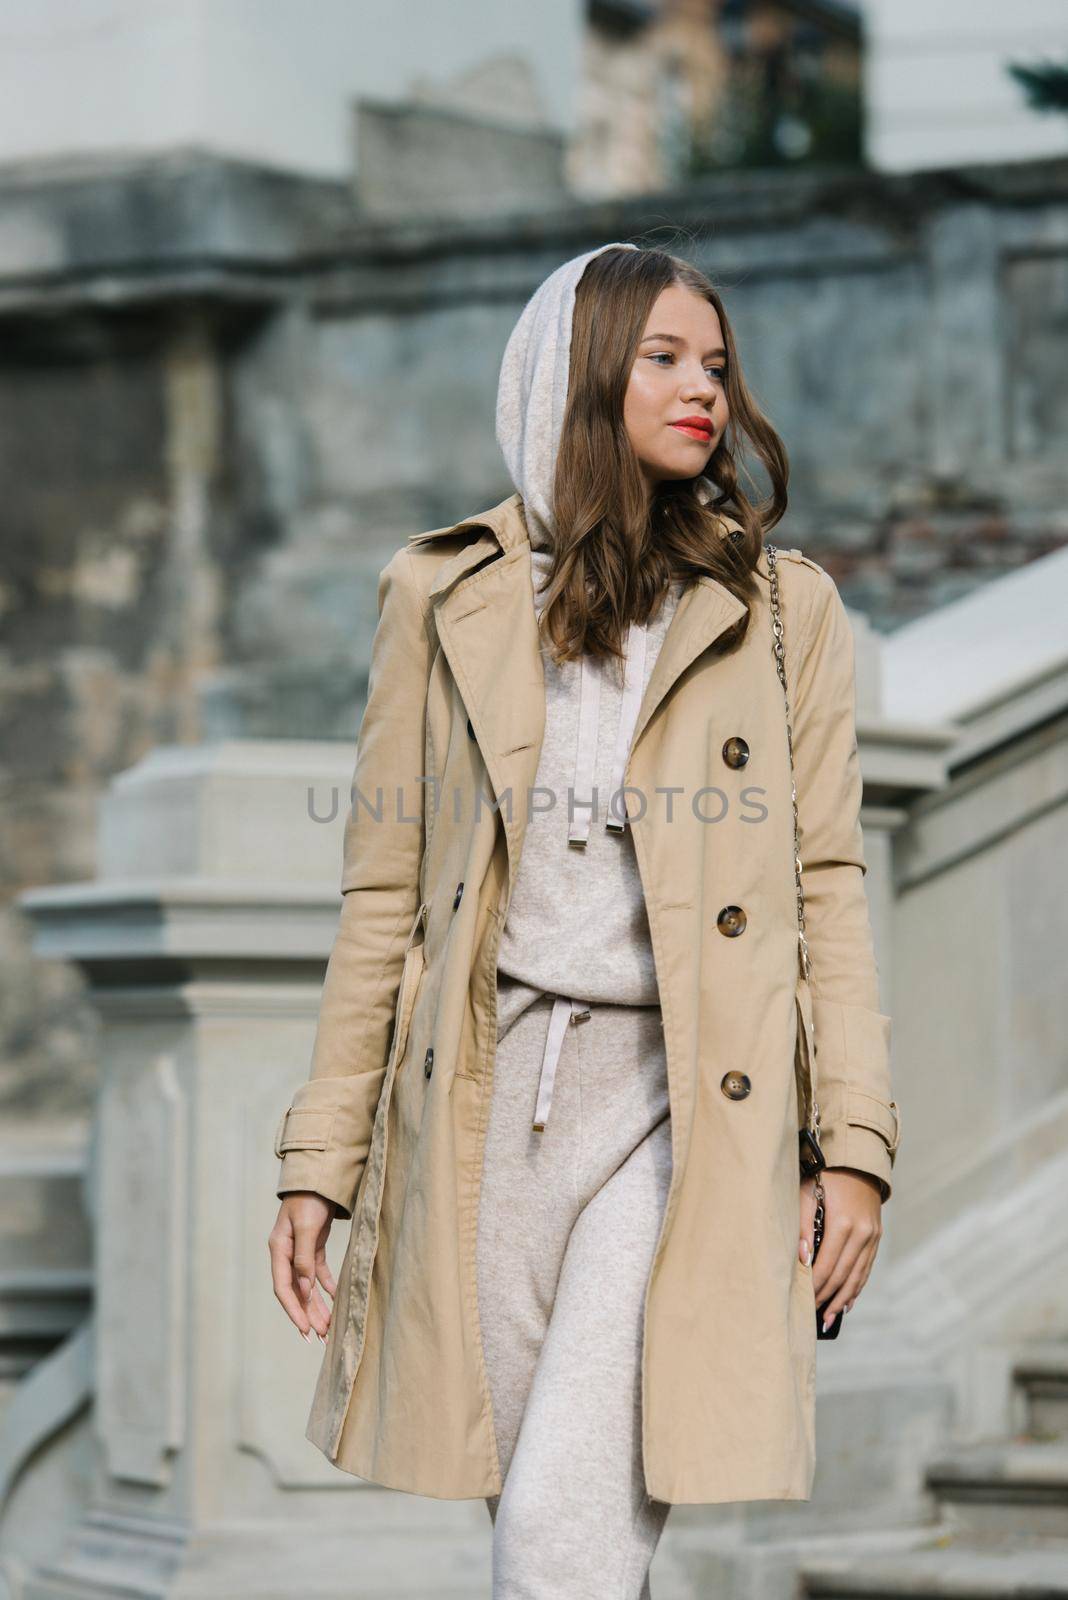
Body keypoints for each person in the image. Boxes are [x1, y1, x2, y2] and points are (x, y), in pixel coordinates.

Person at [267, 242, 900, 1599]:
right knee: (541, 1534)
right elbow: (383, 893)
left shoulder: (785, 617)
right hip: (484, 1108)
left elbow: (827, 889)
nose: (703, 392)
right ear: (575, 374)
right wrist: (320, 1162)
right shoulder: (443, 596)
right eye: (663, 359)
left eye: (716, 366)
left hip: (680, 1114)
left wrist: (854, 1144)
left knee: (560, 1542)